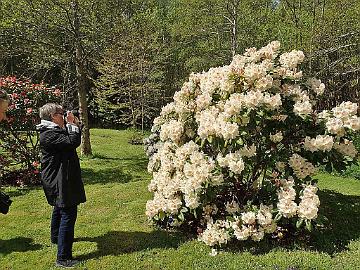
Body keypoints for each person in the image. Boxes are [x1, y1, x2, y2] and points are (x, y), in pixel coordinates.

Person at [37, 103, 86, 268]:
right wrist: (72, 124)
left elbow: (72, 136)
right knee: (68, 212)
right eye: (61, 113)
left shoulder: (52, 130)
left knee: (59, 207)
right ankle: (63, 258)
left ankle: (56, 237)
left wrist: (74, 124)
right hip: (58, 179)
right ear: (52, 116)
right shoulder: (49, 134)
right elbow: (72, 141)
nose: (64, 115)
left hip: (58, 177)